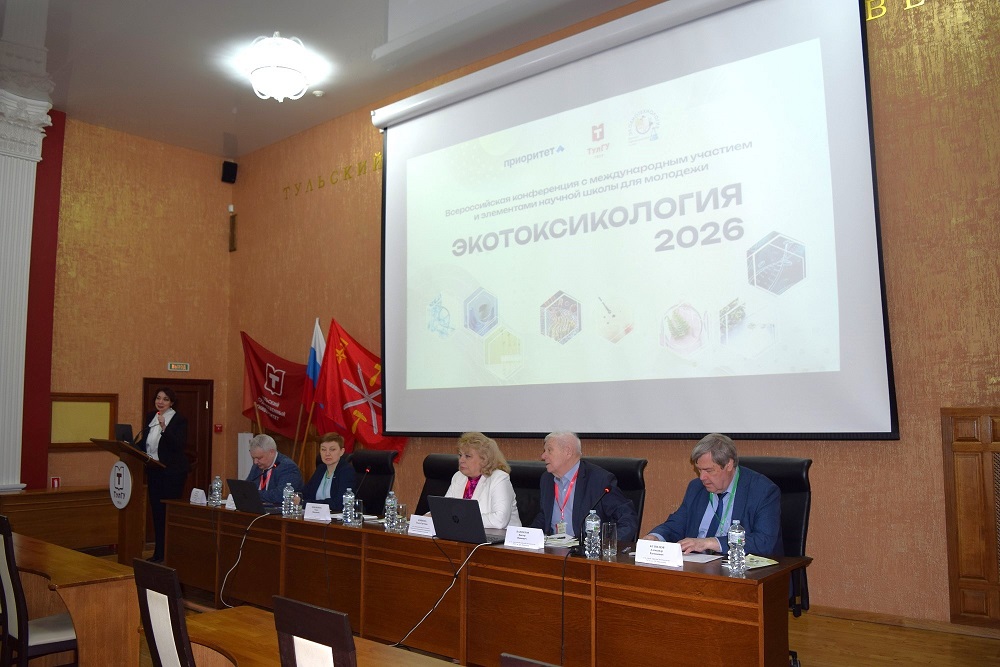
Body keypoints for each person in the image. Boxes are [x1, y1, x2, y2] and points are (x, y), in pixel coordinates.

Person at [643, 433, 782, 556]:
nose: (702, 477)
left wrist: (710, 543)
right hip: (697, 567)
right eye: (699, 470)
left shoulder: (762, 491)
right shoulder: (696, 487)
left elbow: (764, 541)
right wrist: (656, 536)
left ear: (729, 465)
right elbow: (677, 523)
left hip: (740, 568)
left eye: (709, 471)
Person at [529, 431, 638, 543]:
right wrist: (526, 538)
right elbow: (544, 517)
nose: (543, 456)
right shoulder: (547, 479)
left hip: (585, 549)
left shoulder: (599, 480)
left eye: (549, 450)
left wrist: (607, 545)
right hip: (552, 548)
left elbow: (628, 518)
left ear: (568, 452)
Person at [138, 387, 189, 563]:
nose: (160, 402)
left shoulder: (179, 420)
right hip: (154, 471)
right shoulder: (150, 417)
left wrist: (164, 427)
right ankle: (158, 553)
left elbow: (178, 445)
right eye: (158, 398)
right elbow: (146, 443)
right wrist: (128, 445)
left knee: (167, 514)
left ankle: (169, 553)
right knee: (157, 513)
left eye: (165, 399)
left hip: (172, 473)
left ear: (172, 402)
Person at [444, 432, 521, 528]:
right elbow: (445, 509)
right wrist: (432, 515)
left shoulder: (499, 478)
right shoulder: (458, 477)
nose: (461, 460)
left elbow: (500, 520)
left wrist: (462, 518)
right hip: (465, 533)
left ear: (484, 459)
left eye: (467, 456)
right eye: (460, 455)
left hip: (499, 536)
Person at [302, 432, 356, 512]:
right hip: (316, 515)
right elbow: (305, 494)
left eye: (332, 449)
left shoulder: (346, 471)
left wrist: (305, 503)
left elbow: (339, 504)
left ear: (342, 451)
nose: (327, 454)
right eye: (323, 449)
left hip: (337, 517)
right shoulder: (321, 469)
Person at [245, 433, 303, 504]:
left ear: (271, 452)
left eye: (259, 458)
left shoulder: (287, 467)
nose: (255, 462)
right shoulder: (257, 465)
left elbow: (280, 496)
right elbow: (247, 488)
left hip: (279, 509)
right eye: (253, 458)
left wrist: (253, 494)